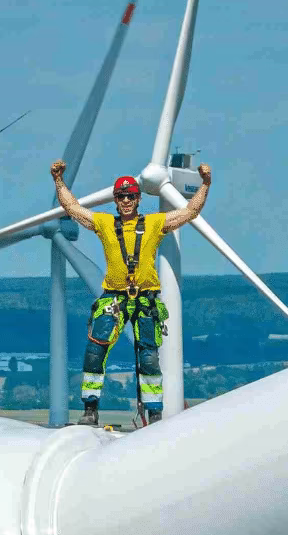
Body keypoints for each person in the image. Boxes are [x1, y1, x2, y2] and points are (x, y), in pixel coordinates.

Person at [50, 159, 211, 426]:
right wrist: (58, 180)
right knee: (94, 351)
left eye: (131, 196)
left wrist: (205, 184)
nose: (126, 200)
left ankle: (155, 412)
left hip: (145, 299)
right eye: (121, 196)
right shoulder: (103, 224)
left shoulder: (155, 223)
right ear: (115, 200)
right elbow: (73, 209)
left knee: (148, 358)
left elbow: (189, 212)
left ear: (138, 199)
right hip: (113, 298)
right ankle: (90, 408)